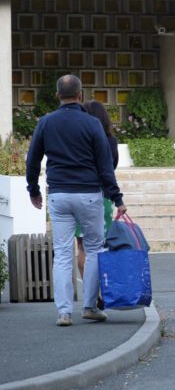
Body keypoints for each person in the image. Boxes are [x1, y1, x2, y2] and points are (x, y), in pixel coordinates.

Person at [25, 74, 127, 327]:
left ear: (57, 95)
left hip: (59, 194)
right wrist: (117, 197)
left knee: (62, 254)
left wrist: (33, 190)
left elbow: (33, 159)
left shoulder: (46, 123)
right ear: (80, 95)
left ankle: (64, 312)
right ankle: (90, 307)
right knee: (93, 250)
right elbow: (105, 166)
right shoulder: (92, 124)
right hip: (89, 195)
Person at [75, 100, 119, 279]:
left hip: (78, 194)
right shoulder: (110, 140)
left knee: (82, 247)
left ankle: (89, 292)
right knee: (102, 246)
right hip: (103, 195)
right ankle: (103, 288)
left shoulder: (78, 140)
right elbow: (112, 166)